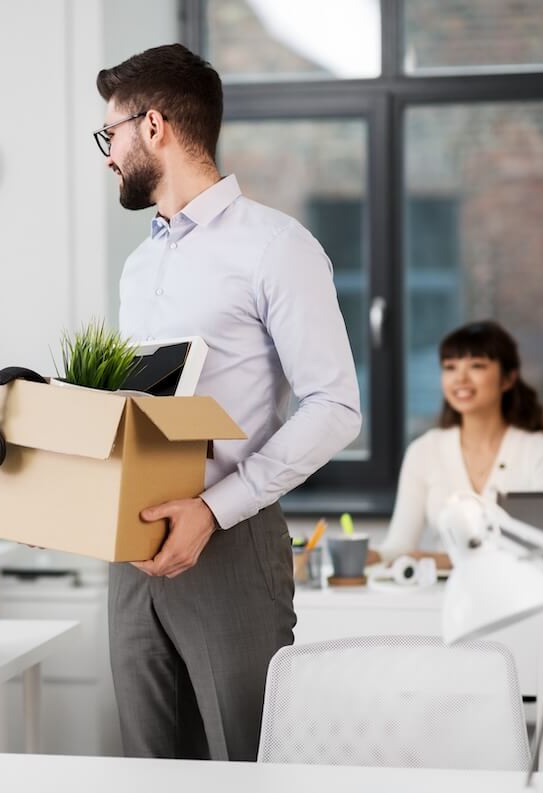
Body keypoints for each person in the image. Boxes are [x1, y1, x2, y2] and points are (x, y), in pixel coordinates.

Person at [97, 44, 361, 761]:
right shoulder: (140, 262)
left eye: (110, 134)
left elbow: (336, 405)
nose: (107, 155)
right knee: (149, 765)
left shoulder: (277, 246)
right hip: (132, 551)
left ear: (153, 126)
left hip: (231, 543)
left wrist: (212, 509)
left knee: (247, 760)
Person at [369, 320, 543, 568]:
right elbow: (399, 546)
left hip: (522, 595)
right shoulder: (423, 451)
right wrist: (366, 557)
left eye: (477, 366)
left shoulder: (540, 451)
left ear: (508, 379)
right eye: (450, 367)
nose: (460, 378)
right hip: (445, 597)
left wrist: (443, 561)